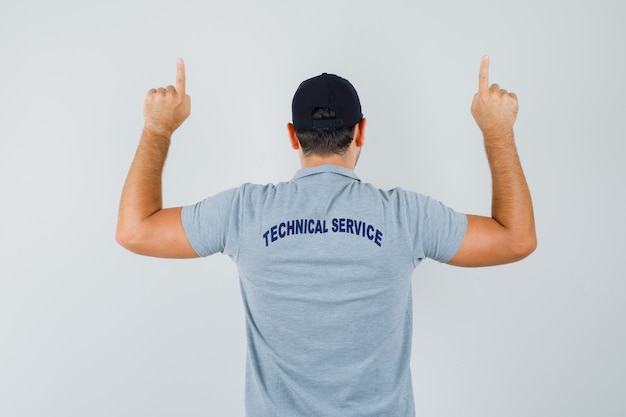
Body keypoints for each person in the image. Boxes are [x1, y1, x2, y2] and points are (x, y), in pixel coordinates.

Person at [116, 56, 536, 417]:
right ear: (361, 132)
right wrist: (497, 131)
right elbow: (515, 239)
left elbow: (136, 230)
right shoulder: (406, 216)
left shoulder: (244, 213)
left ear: (293, 135)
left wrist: (157, 129)